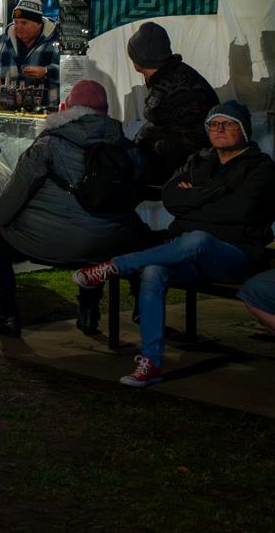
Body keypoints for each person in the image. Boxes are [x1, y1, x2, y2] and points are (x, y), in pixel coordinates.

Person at [75, 101, 275, 386]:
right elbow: (171, 198)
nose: (219, 129)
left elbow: (242, 209)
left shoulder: (262, 168)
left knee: (198, 238)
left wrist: (195, 198)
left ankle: (115, 267)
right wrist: (214, 194)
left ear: (244, 130)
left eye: (228, 124)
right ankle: (151, 362)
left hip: (235, 257)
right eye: (214, 124)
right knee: (155, 270)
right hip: (190, 257)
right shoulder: (199, 159)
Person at [0, 80, 149, 338]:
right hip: (110, 240)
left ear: (67, 107)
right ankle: (91, 313)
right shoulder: (127, 146)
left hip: (47, 240)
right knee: (106, 246)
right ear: (105, 110)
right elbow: (138, 189)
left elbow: (17, 190)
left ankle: (6, 316)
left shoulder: (49, 143)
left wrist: (2, 222)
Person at [127, 21, 220, 194]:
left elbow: (160, 128)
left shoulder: (167, 86)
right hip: (197, 160)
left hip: (188, 170)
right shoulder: (177, 72)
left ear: (139, 60)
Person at [0, 0, 61, 109]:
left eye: (24, 23)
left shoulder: (56, 42)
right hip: (8, 110)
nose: (18, 27)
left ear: (38, 24)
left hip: (46, 113)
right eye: (16, 22)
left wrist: (46, 71)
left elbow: (70, 72)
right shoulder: (3, 40)